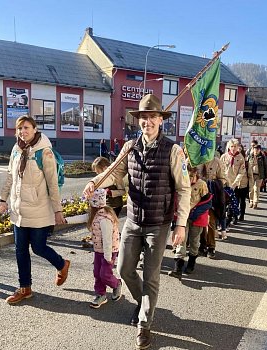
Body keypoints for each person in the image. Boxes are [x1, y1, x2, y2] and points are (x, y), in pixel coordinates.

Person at [83, 94, 191, 350]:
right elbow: (113, 173)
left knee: (151, 277)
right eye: (143, 117)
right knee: (124, 270)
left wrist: (181, 224)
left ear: (160, 121)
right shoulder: (129, 147)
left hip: (158, 223)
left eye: (152, 117)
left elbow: (184, 189)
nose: (148, 122)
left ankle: (144, 323)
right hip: (132, 220)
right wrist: (93, 182)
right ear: (139, 121)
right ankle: (145, 304)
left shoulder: (173, 150)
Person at [0, 115, 69, 304]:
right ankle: (25, 288)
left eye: (27, 127)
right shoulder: (16, 149)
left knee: (38, 248)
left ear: (35, 129)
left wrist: (58, 210)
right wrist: (2, 199)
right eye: (20, 128)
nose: (23, 131)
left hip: (39, 208)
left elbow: (52, 183)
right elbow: (10, 178)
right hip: (19, 210)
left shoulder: (44, 152)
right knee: (20, 250)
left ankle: (62, 264)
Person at [168, 165, 211, 279]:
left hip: (196, 217)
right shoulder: (180, 182)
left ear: (196, 174)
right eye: (188, 176)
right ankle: (178, 268)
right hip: (183, 217)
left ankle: (191, 263)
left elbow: (207, 201)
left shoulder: (201, 184)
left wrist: (195, 212)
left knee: (194, 241)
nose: (190, 179)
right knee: (181, 241)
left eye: (192, 176)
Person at [87, 189, 122, 308]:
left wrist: (107, 257)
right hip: (98, 250)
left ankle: (116, 284)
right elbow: (82, 218)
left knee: (105, 274)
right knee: (97, 273)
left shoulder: (105, 219)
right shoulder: (95, 214)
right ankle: (100, 294)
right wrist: (66, 220)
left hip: (109, 251)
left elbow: (107, 240)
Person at [196, 155, 226, 257]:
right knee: (199, 222)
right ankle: (201, 245)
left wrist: (213, 184)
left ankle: (211, 247)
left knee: (211, 223)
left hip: (211, 197)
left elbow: (222, 179)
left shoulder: (217, 161)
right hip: (197, 196)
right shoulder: (196, 158)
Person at [220, 139, 249, 222]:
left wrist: (235, 183)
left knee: (232, 203)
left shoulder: (240, 158)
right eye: (231, 146)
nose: (233, 148)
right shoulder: (224, 157)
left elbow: (241, 172)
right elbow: (220, 170)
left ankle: (229, 220)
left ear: (237, 147)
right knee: (223, 203)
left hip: (234, 184)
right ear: (229, 147)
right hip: (224, 183)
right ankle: (222, 221)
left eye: (235, 146)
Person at [248, 145, 267, 209]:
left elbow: (265, 166)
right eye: (255, 149)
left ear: (259, 150)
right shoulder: (250, 156)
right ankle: (251, 201)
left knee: (256, 189)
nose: (256, 151)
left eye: (257, 149)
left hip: (259, 175)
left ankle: (255, 202)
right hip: (251, 175)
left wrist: (266, 176)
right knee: (251, 189)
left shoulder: (262, 157)